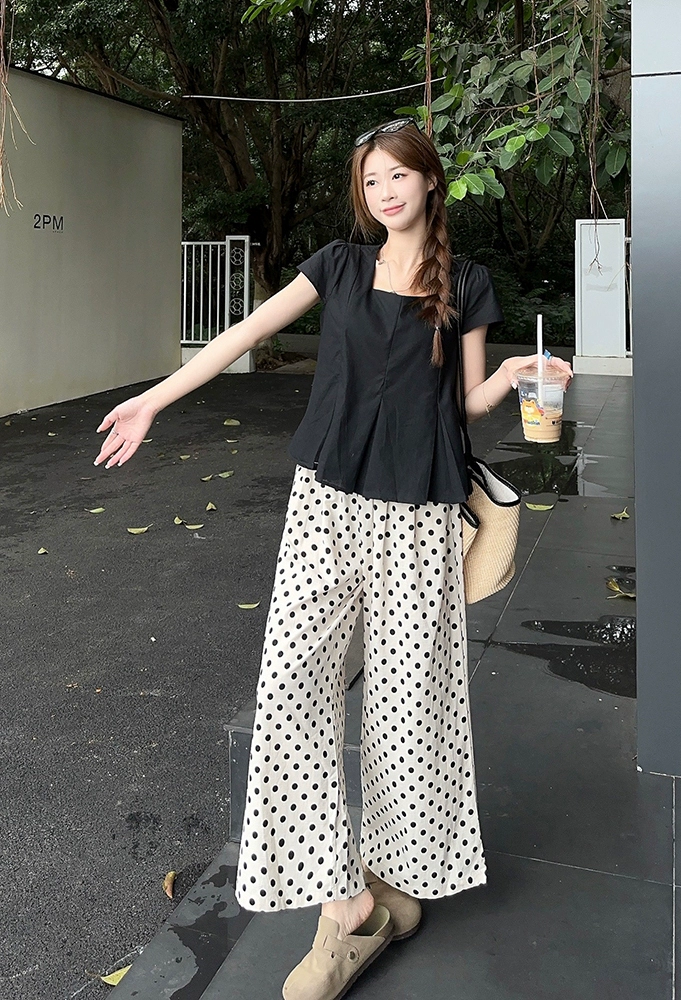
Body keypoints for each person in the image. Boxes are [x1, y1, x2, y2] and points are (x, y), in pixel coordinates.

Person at [93, 117, 572, 1000]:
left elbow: (460, 407)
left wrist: (514, 380)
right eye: (371, 180)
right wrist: (153, 399)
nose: (384, 192)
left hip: (420, 515)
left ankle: (398, 881)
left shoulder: (466, 282)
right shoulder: (340, 266)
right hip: (326, 506)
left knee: (409, 706)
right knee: (290, 683)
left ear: (431, 181)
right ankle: (341, 896)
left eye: (399, 176)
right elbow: (243, 333)